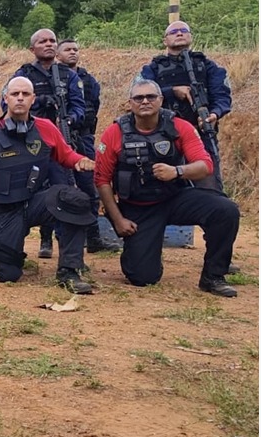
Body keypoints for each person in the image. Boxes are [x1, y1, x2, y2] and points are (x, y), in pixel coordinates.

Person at [94, 79, 240, 297]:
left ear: (160, 100)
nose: (145, 101)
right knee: (142, 277)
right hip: (138, 207)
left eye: (151, 97)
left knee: (225, 210)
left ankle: (213, 276)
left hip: (175, 199)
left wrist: (177, 171)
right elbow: (102, 180)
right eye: (139, 98)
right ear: (130, 103)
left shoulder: (180, 127)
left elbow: (205, 165)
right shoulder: (114, 133)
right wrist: (118, 220)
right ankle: (145, 254)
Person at [0, 76, 96, 294]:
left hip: (34, 203)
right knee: (8, 275)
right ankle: (9, 253)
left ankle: (69, 270)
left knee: (75, 200)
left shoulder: (45, 128)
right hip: (0, 212)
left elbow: (66, 155)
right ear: (5, 99)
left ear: (33, 99)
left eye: (25, 94)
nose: (20, 98)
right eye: (14, 94)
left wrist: (80, 161)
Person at [13, 28, 86, 260]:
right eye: (42, 41)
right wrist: (40, 104)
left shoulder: (69, 75)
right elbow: (13, 106)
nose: (49, 44)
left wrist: (70, 119)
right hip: (30, 143)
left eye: (52, 41)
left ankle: (67, 251)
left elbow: (79, 107)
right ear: (32, 49)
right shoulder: (24, 74)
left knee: (63, 190)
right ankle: (20, 244)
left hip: (60, 143)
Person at [140, 20, 232, 191]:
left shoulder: (207, 65)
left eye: (184, 30)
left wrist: (214, 114)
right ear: (165, 41)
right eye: (174, 32)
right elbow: (139, 96)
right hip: (163, 136)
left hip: (201, 133)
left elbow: (222, 97)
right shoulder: (152, 68)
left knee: (209, 187)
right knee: (162, 187)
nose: (179, 33)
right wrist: (171, 91)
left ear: (191, 36)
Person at [56, 39, 120, 254]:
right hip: (54, 138)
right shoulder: (49, 75)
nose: (72, 53)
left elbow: (91, 106)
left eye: (75, 49)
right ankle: (47, 241)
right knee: (54, 187)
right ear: (58, 54)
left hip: (82, 137)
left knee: (89, 186)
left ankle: (93, 238)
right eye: (67, 49)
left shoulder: (88, 80)